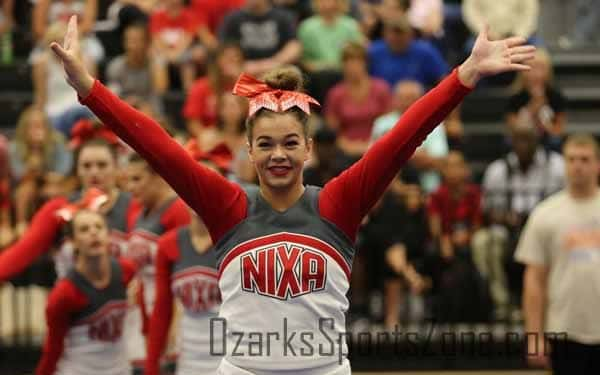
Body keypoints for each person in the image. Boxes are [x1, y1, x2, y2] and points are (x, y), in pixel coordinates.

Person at [51, 15, 535, 373]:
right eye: (265, 144)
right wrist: (87, 88)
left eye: (289, 143)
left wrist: (463, 76)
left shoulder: (337, 204)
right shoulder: (229, 206)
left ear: (307, 147)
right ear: (248, 148)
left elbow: (402, 138)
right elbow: (156, 146)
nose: (277, 154)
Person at [516, 134, 600, 374]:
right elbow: (534, 280)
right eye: (571, 159)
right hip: (564, 331)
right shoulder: (545, 214)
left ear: (597, 164)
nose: (578, 166)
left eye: (585, 159)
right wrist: (534, 336)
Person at [0, 138, 139, 282]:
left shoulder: (134, 205)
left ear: (116, 168)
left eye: (102, 165)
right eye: (86, 166)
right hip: (75, 299)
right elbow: (22, 252)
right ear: (77, 170)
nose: (94, 172)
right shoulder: (59, 208)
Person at [35, 210, 138, 375]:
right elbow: (53, 348)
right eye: (84, 229)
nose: (93, 232)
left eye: (98, 227)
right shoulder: (64, 294)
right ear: (73, 242)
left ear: (108, 235)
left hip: (120, 369)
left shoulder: (126, 271)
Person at [146, 158, 223, 375]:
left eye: (208, 187)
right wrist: (152, 367)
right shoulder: (169, 245)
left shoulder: (234, 241)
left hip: (232, 360)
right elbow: (162, 311)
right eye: (193, 187)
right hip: (188, 360)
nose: (200, 195)